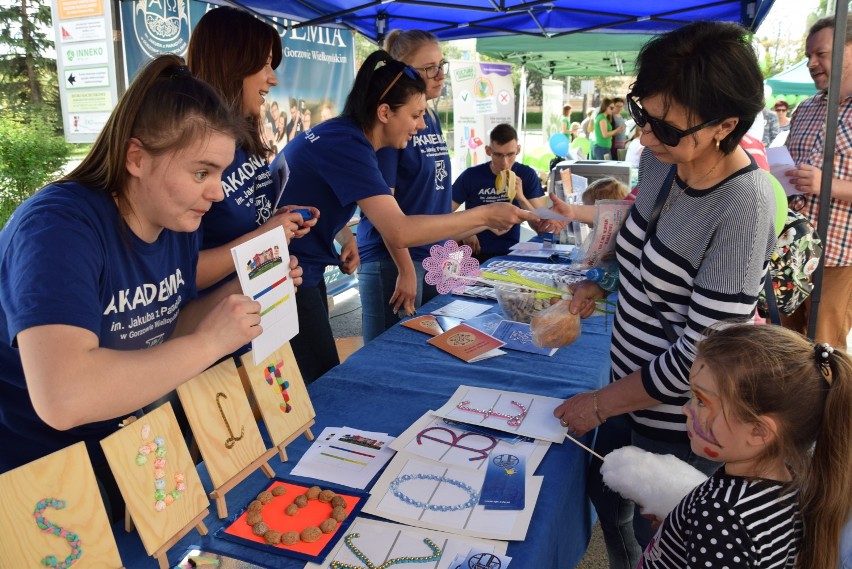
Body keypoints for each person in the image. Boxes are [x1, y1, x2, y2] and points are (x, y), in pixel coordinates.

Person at [0, 55, 302, 516]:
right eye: (201, 173)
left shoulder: (174, 222)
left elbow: (166, 327)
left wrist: (242, 295)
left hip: (126, 453)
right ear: (136, 157)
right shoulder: (58, 228)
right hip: (34, 483)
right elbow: (63, 397)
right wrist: (209, 344)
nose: (218, 192)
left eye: (220, 173)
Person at [551, 21, 776, 569]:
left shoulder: (744, 205)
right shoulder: (660, 160)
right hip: (626, 389)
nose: (646, 138)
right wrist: (596, 281)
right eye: (641, 115)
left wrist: (599, 405)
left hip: (682, 424)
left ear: (725, 125)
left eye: (666, 128)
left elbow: (705, 355)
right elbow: (635, 239)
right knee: (608, 499)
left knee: (670, 544)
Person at [277, 51, 536, 382]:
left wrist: (345, 236)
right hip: (286, 274)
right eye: (415, 115)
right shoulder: (348, 144)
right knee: (321, 383)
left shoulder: (343, 136)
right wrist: (484, 215)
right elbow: (398, 230)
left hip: (297, 269)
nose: (420, 125)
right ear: (384, 112)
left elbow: (313, 190)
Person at [640, 323, 852, 569]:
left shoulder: (720, 515)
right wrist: (684, 525)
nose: (685, 409)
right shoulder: (793, 479)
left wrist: (706, 526)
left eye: (701, 401)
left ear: (758, 431)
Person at [187, 7, 316, 295]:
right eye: (265, 64)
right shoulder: (191, 149)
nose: (273, 79)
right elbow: (180, 273)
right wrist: (263, 237)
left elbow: (245, 221)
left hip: (257, 306)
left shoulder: (243, 138)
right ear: (232, 64)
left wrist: (278, 221)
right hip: (212, 321)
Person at [356, 29, 452, 342]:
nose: (439, 75)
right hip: (394, 261)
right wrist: (406, 268)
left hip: (429, 256)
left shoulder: (429, 117)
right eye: (429, 68)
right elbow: (386, 211)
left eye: (441, 65)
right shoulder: (393, 125)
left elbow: (433, 192)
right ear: (403, 73)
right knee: (387, 362)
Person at [783, 14, 852, 350]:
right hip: (790, 250)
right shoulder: (805, 109)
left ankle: (828, 406)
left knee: (823, 350)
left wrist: (829, 184)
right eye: (809, 55)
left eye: (821, 54)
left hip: (839, 256)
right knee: (783, 343)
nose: (811, 63)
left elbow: (824, 183)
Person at [452, 123, 565, 262]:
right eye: (498, 155)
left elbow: (542, 228)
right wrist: (465, 231)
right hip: (474, 254)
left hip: (510, 254)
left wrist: (522, 198)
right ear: (488, 151)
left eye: (510, 154)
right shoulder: (471, 176)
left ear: (518, 150)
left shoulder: (526, 174)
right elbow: (442, 215)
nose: (505, 163)